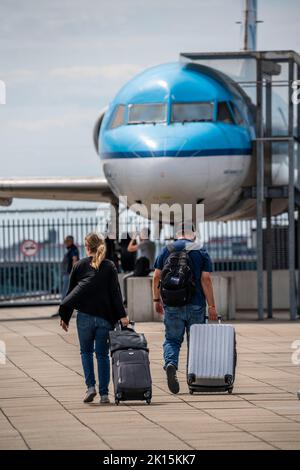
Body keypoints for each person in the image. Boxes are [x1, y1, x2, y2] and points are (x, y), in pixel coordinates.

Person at [58, 232, 128, 404]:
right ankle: (104, 394)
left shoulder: (79, 266)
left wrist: (65, 317)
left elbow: (72, 293)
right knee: (102, 355)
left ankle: (90, 387)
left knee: (86, 353)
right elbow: (115, 294)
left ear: (86, 246)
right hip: (105, 318)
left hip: (84, 318)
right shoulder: (109, 266)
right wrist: (122, 315)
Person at [152, 222, 218, 395]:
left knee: (172, 340)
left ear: (177, 234)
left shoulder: (166, 249)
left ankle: (171, 364)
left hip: (172, 304)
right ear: (193, 234)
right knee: (196, 343)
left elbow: (157, 276)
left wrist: (156, 299)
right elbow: (206, 279)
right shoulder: (200, 250)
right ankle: (193, 378)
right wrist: (211, 306)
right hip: (196, 303)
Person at [122, 227, 156, 306]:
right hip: (151, 269)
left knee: (125, 278)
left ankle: (126, 300)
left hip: (144, 270)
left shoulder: (144, 243)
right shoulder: (152, 243)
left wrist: (133, 238)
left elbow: (129, 248)